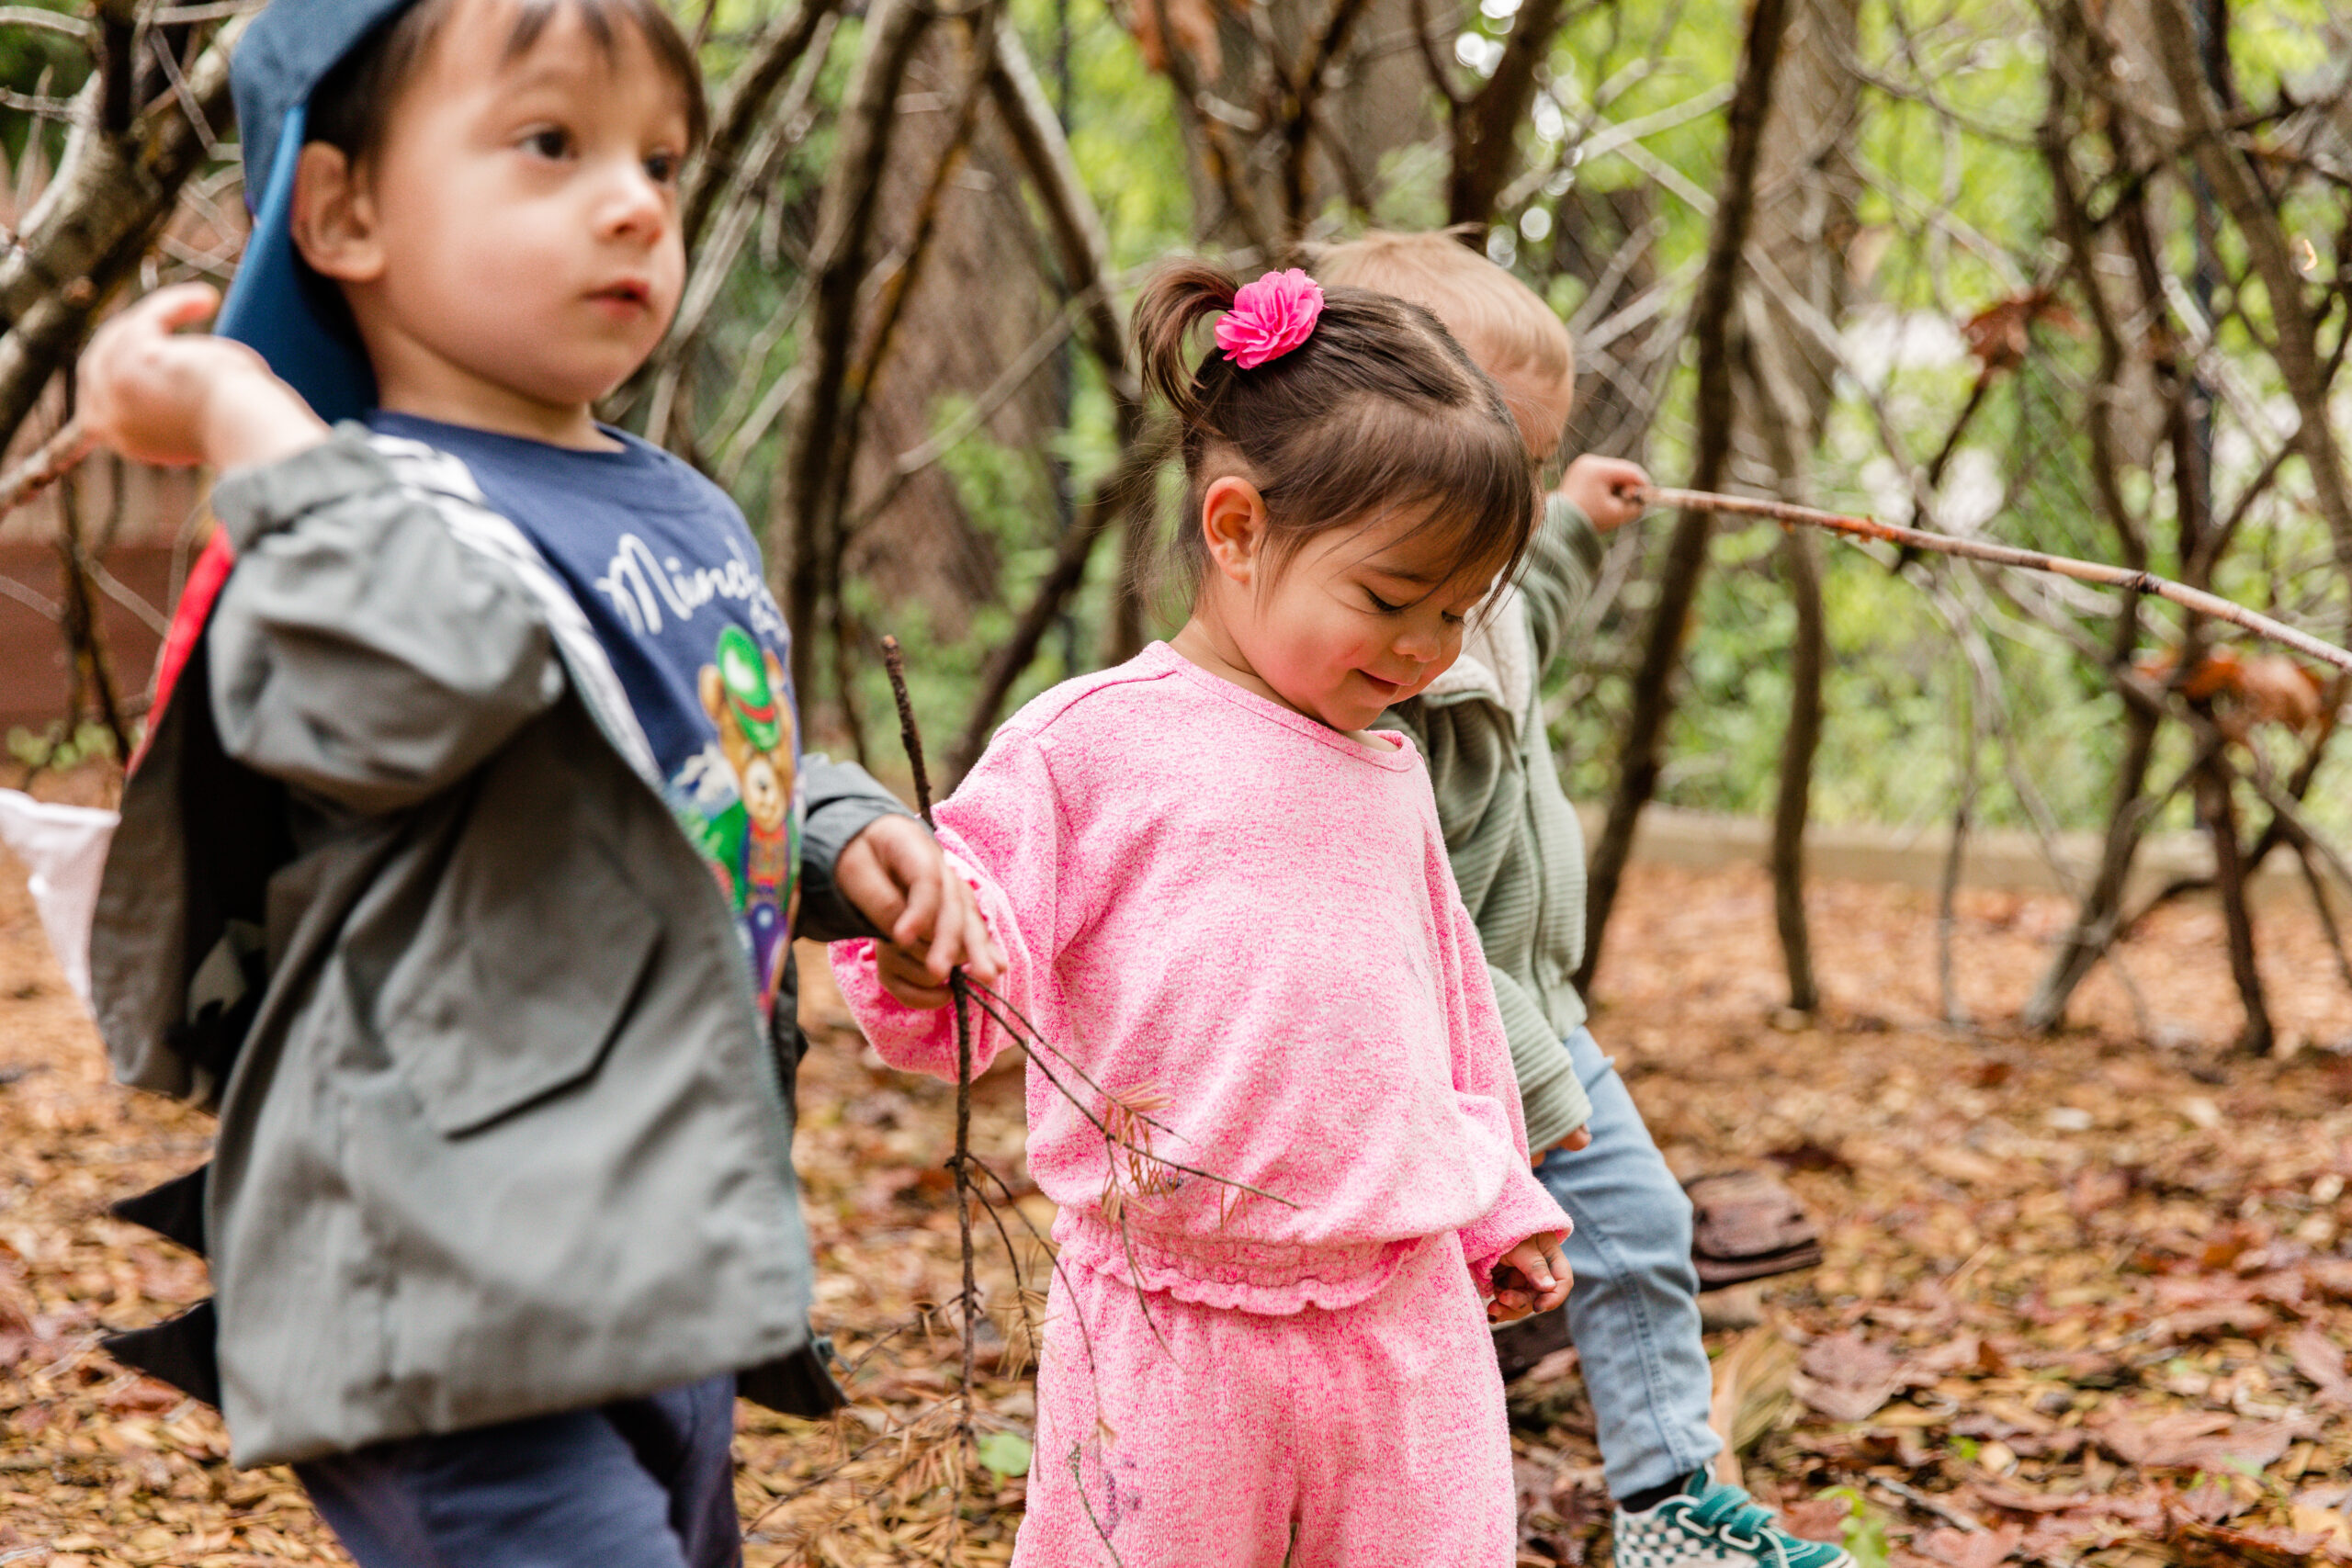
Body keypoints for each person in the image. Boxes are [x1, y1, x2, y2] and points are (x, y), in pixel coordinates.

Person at [74, 1, 992, 1563]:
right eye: (550, 143)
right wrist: (240, 407)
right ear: (346, 209)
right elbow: (416, 676)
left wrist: (843, 836)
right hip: (446, 1283)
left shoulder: (677, 506)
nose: (635, 201)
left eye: (661, 161)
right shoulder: (336, 527)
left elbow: (678, 758)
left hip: (665, 1241)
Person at [831, 263, 1575, 1567]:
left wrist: (1495, 1200)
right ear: (1235, 531)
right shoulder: (1089, 748)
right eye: (1391, 599)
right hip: (1173, 1316)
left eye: (1458, 613)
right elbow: (969, 954)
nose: (1425, 650)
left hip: (1401, 1320)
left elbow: (1447, 1018)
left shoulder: (1392, 775)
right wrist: (921, 946)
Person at [1311, 229, 1853, 1568]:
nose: (1522, 488)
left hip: (1534, 1014)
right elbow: (1403, 908)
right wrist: (1537, 1087)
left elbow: (1528, 614)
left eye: (1540, 458)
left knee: (1636, 1231)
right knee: (1458, 1281)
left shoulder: (1470, 600)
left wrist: (1573, 528)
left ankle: (1670, 1496)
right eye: (1517, 453)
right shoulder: (1388, 667)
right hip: (1470, 1036)